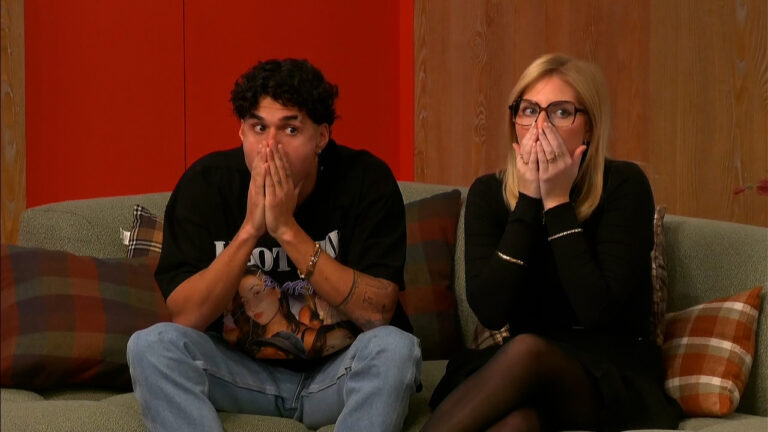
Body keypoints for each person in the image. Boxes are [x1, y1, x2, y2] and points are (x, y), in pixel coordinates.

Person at [127, 58, 421, 432]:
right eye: (259, 127)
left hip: (339, 373)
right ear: (241, 131)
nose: (270, 146)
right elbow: (187, 318)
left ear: (322, 137)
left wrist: (286, 230)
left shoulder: (365, 180)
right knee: (151, 345)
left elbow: (377, 313)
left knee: (396, 348)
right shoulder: (206, 185)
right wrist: (250, 230)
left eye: (290, 129)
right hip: (239, 375)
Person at [422, 53, 682, 432]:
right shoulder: (488, 193)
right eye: (529, 110)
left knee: (527, 350)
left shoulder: (625, 186)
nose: (540, 126)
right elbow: (491, 311)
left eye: (560, 112)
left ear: (589, 128)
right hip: (522, 366)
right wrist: (528, 201)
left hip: (607, 369)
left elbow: (597, 313)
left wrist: (557, 202)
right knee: (519, 423)